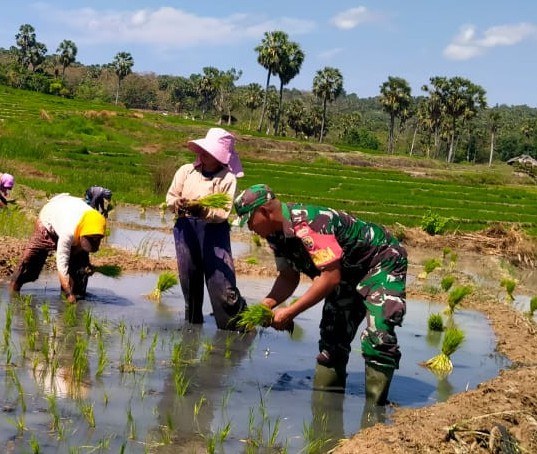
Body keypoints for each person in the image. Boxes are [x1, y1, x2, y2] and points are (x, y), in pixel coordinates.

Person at [233, 184, 407, 405]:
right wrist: (267, 304)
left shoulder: (310, 224)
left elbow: (329, 277)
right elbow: (288, 277)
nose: (249, 227)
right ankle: (326, 415)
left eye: (249, 220)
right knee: (332, 340)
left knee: (379, 334)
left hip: (380, 262)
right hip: (345, 271)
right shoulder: (276, 235)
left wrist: (289, 312)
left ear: (265, 212)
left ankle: (375, 416)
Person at [165, 127, 248, 329]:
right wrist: (177, 204)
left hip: (214, 231)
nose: (202, 153)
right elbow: (170, 196)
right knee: (190, 280)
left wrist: (202, 210)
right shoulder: (186, 171)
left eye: (209, 151)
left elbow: (223, 213)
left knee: (221, 285)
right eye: (203, 149)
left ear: (220, 157)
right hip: (186, 230)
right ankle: (192, 327)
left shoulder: (228, 179)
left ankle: (236, 326)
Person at [11, 193, 106, 303]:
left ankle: (73, 299)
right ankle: (13, 292)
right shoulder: (68, 232)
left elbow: (85, 247)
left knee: (78, 270)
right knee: (30, 262)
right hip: (48, 222)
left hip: (71, 217)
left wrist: (86, 266)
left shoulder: (96, 223)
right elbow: (62, 266)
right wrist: (68, 293)